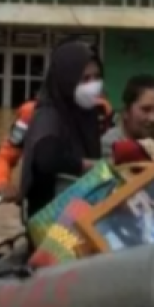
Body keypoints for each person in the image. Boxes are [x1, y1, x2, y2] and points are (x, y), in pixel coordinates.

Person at [16, 40, 105, 220]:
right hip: (50, 219)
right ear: (66, 80)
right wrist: (88, 165)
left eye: (97, 77)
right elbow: (46, 159)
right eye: (85, 79)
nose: (94, 85)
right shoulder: (48, 115)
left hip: (82, 211)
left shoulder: (89, 113)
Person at [0, 94, 113, 202]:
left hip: (90, 196)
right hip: (43, 202)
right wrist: (1, 182)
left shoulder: (101, 110)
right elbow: (5, 156)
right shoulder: (32, 113)